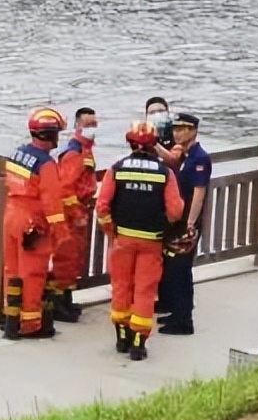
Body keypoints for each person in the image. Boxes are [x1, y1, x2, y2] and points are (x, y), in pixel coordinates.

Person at [96, 121, 185, 360]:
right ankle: (138, 344)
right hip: (152, 241)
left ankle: (121, 337)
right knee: (145, 290)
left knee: (121, 286)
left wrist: (111, 231)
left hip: (122, 239)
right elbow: (176, 210)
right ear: (153, 144)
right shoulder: (165, 173)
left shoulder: (117, 169)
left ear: (130, 143)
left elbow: (102, 206)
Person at [2, 106, 69, 338]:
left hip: (11, 216)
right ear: (49, 135)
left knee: (12, 270)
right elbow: (52, 204)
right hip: (33, 222)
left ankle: (10, 316)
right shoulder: (46, 165)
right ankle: (30, 324)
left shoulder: (18, 154)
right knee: (33, 274)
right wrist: (61, 234)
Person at [157, 113, 212, 335]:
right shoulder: (185, 155)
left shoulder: (199, 158)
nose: (177, 133)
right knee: (173, 269)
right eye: (175, 129)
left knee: (181, 270)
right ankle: (174, 311)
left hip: (187, 223)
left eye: (182, 129)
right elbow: (170, 159)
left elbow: (199, 193)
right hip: (177, 221)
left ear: (194, 131)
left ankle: (183, 320)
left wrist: (190, 224)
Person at [49, 107, 99, 323]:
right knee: (66, 259)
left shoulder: (85, 149)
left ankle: (67, 300)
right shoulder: (74, 152)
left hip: (79, 211)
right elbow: (66, 189)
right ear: (77, 126)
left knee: (75, 259)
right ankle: (59, 304)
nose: (92, 128)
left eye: (94, 124)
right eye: (87, 124)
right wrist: (76, 212)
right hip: (71, 214)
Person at [144, 96, 184, 169]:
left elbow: (174, 161)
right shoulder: (142, 134)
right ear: (146, 117)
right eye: (152, 112)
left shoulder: (177, 132)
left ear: (168, 113)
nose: (157, 115)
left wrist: (153, 143)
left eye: (161, 111)